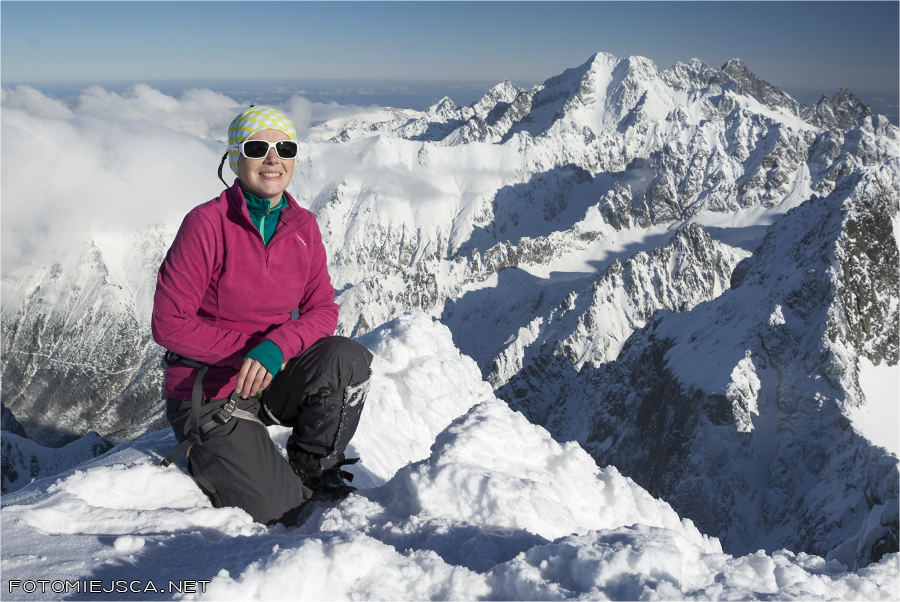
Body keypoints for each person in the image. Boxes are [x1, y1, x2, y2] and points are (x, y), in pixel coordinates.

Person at [152, 105, 372, 525]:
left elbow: (322, 309)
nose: (273, 159)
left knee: (346, 358)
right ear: (235, 158)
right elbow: (169, 322)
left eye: (285, 148)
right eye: (257, 148)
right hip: (211, 391)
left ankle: (312, 467)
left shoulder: (303, 226)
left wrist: (276, 349)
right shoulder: (206, 224)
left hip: (269, 379)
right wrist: (251, 350)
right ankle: (219, 454)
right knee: (283, 513)